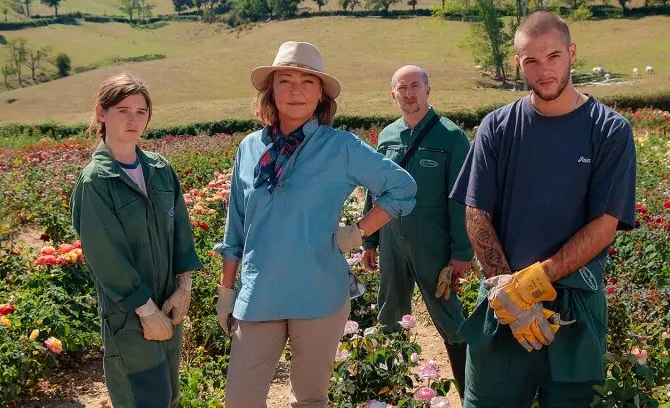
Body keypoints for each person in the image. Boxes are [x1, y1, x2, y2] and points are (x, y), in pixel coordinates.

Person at [213, 41, 417, 408]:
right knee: (239, 401)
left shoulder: (339, 147)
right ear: (270, 91)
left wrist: (358, 231)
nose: (295, 90)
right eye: (285, 80)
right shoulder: (249, 148)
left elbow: (402, 187)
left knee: (309, 400)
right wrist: (226, 290)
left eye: (307, 82)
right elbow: (236, 227)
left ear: (321, 94)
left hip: (320, 293)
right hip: (259, 294)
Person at [449, 11, 637, 408]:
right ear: (519, 64)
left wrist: (529, 285)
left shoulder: (608, 130)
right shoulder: (497, 127)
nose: (544, 70)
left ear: (571, 53)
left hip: (574, 309)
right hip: (501, 310)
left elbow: (604, 226)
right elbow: (476, 214)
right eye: (531, 61)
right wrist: (509, 295)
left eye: (553, 56)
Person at [71, 73, 203, 408]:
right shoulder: (96, 181)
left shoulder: (160, 169)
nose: (133, 119)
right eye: (123, 110)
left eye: (141, 111)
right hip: (129, 314)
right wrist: (145, 310)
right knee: (144, 398)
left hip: (169, 303)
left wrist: (183, 286)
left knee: (170, 395)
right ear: (102, 113)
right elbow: (105, 256)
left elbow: (181, 231)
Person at [361, 65, 474, 398]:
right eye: (401, 88)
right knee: (389, 314)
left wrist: (461, 253)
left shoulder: (450, 137)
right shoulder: (387, 137)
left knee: (449, 318)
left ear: (428, 90)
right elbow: (374, 189)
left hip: (434, 241)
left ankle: (471, 394)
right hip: (392, 239)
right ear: (393, 95)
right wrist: (369, 239)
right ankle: (390, 394)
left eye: (415, 86)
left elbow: (462, 199)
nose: (408, 93)